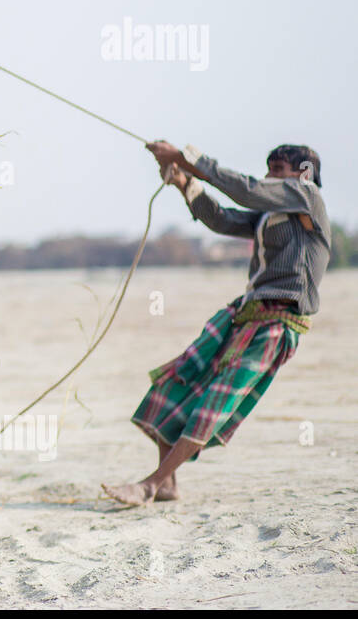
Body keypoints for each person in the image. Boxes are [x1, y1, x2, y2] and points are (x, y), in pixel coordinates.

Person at [101, 142, 330, 506]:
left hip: (277, 324)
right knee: (177, 379)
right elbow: (222, 218)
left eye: (278, 170)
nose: (269, 177)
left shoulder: (308, 196)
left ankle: (150, 485)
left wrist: (186, 157)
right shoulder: (269, 216)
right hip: (245, 315)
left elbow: (249, 189)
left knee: (215, 399)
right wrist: (184, 182)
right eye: (268, 169)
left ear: (303, 174)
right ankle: (169, 484)